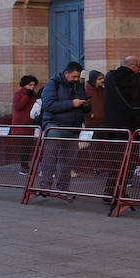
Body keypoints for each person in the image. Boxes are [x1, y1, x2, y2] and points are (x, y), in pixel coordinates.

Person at [37, 62, 89, 192]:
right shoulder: (52, 83)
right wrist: (72, 103)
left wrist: (86, 106)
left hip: (73, 127)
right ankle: (45, 186)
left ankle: (63, 188)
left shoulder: (78, 85)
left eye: (78, 77)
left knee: (68, 160)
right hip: (55, 126)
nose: (76, 80)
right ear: (66, 73)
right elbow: (48, 105)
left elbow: (83, 101)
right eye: (74, 77)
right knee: (50, 156)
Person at [105, 56, 140, 133]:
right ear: (134, 66)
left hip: (110, 122)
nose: (139, 70)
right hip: (128, 123)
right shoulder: (134, 79)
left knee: (114, 145)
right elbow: (137, 103)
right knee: (129, 145)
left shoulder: (109, 76)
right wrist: (139, 124)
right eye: (139, 67)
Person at [11, 76, 40, 173]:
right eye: (29, 85)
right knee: (23, 147)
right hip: (21, 126)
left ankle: (28, 166)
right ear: (24, 85)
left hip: (31, 125)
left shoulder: (34, 95)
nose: (32, 87)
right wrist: (26, 96)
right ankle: (24, 167)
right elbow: (18, 106)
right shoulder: (18, 94)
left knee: (29, 147)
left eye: (33, 85)